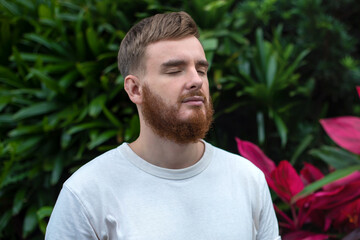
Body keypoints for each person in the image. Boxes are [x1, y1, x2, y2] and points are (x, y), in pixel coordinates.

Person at [45, 11, 280, 240]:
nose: (196, 80)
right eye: (175, 70)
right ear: (135, 89)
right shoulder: (88, 193)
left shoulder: (247, 180)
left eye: (201, 70)